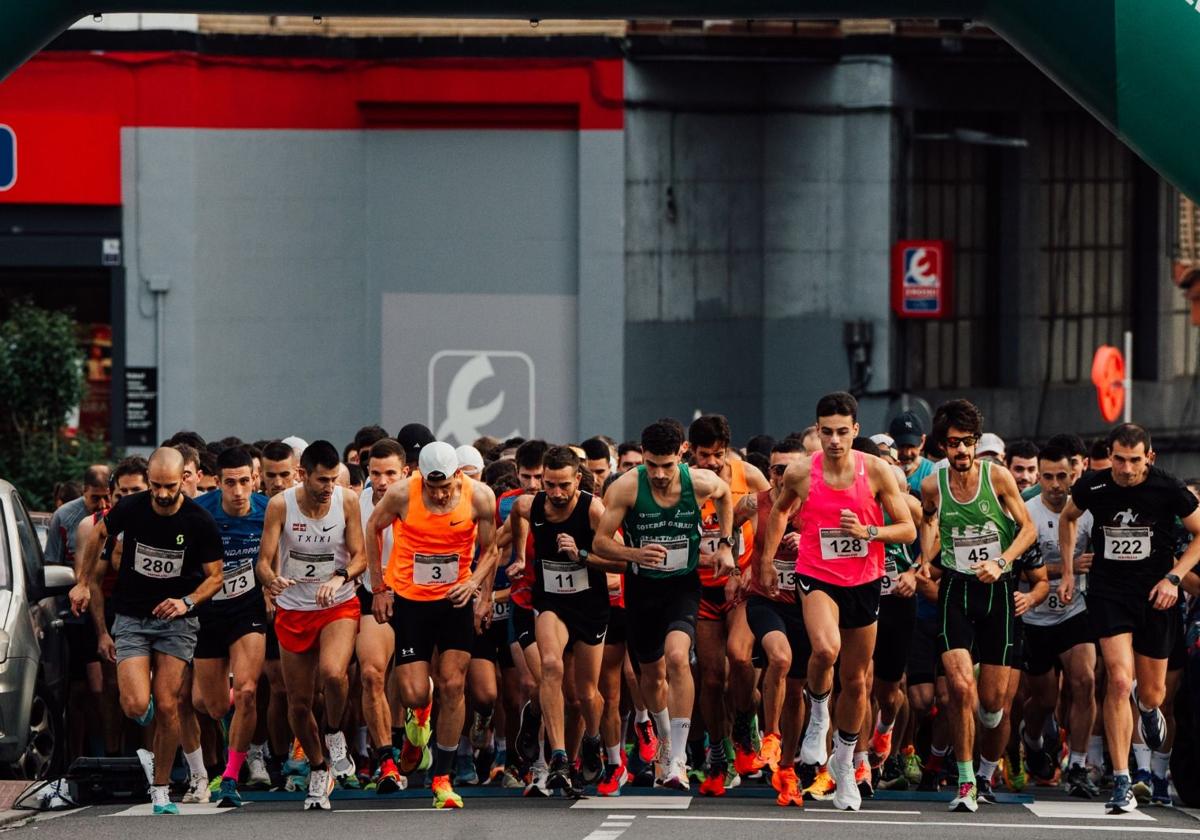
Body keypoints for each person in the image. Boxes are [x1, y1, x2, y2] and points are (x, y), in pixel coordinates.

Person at [760, 393, 916, 812]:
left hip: (864, 582)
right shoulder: (801, 472)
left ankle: (844, 764)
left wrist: (869, 532)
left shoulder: (877, 471)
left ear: (855, 431)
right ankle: (817, 719)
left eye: (842, 432)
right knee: (825, 649)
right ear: (817, 430)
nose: (833, 440)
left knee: (858, 681)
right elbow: (778, 513)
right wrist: (766, 561)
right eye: (826, 432)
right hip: (816, 576)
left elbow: (906, 530)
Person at [68, 447, 224, 815]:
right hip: (134, 617)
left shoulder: (198, 520)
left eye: (170, 486)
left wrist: (186, 602)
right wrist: (84, 582)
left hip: (176, 621)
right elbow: (98, 534)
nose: (164, 493)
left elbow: (216, 577)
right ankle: (156, 746)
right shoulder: (131, 507)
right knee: (135, 703)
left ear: (183, 480)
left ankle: (161, 789)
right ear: (149, 481)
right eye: (156, 485)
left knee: (168, 704)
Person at [1059, 423, 1200, 814]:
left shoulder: (1168, 488)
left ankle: (1149, 708)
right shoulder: (1095, 486)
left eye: (1134, 461)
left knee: (1152, 693)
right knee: (1119, 681)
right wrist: (1070, 571)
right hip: (1110, 594)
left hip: (1156, 595)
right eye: (1119, 459)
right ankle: (1122, 780)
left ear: (1149, 458)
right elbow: (1069, 519)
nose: (1124, 468)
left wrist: (1174, 578)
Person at [593, 420, 737, 791]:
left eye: (667, 465)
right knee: (652, 676)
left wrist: (725, 543)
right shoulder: (626, 487)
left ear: (682, 454)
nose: (658, 474)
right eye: (652, 464)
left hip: (682, 586)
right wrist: (634, 553)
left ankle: (678, 758)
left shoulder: (699, 482)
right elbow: (600, 543)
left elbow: (725, 495)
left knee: (677, 658)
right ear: (642, 456)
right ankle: (665, 742)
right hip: (641, 589)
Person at [366, 441, 499, 809]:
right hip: (411, 600)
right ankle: (418, 720)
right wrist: (379, 587)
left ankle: (442, 777)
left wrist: (480, 592)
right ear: (420, 477)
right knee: (413, 693)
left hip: (455, 600)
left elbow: (492, 548)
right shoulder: (401, 494)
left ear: (458, 475)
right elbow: (373, 528)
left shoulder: (480, 496)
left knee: (453, 684)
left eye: (445, 487)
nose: (439, 495)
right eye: (432, 487)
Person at [918, 400, 1037, 813]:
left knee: (991, 705)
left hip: (997, 592)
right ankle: (966, 781)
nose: (962, 451)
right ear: (942, 447)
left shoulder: (998, 476)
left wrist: (1002, 561)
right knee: (959, 688)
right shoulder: (933, 485)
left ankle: (989, 756)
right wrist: (923, 559)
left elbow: (1028, 528)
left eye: (968, 442)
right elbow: (929, 519)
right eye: (954, 444)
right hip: (956, 589)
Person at [258, 440, 366, 811]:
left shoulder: (346, 502)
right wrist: (271, 581)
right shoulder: (280, 505)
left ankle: (335, 732)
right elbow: (264, 562)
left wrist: (339, 578)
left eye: (334, 480)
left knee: (334, 674)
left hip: (337, 603)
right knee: (299, 704)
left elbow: (361, 557)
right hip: (294, 607)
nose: (329, 487)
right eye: (322, 480)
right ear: (303, 475)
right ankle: (319, 767)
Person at [506, 446, 619, 792]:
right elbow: (517, 518)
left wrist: (583, 555)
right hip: (551, 602)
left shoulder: (594, 510)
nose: (555, 493)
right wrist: (521, 555)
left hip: (590, 607)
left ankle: (592, 740)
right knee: (550, 666)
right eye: (549, 484)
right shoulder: (530, 505)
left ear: (578, 481)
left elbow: (621, 564)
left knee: (586, 693)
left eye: (563, 486)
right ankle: (557, 755)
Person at [1017, 445, 1098, 799]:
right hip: (1033, 614)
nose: (1054, 484)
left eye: (1061, 476)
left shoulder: (1088, 511)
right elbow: (1012, 566)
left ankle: (1078, 766)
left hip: (1074, 610)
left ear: (1074, 474)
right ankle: (1032, 740)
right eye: (1047, 476)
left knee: (1084, 682)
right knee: (1045, 700)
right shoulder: (1024, 512)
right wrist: (1065, 568)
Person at [193, 446, 269, 807]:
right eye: (230, 483)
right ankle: (230, 739)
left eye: (244, 482)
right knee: (214, 706)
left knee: (248, 691)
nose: (238, 492)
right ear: (218, 482)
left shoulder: (269, 511)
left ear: (255, 479)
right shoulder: (199, 511)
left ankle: (231, 777)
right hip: (208, 612)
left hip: (248, 609)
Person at [742, 438, 809, 806]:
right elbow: (727, 528)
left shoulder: (817, 504)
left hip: (806, 605)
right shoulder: (756, 502)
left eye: (788, 469)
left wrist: (810, 542)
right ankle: (769, 734)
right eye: (775, 469)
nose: (781, 476)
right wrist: (732, 562)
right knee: (778, 659)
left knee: (797, 690)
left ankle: (786, 767)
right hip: (765, 600)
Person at [355, 438, 409, 793]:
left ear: (405, 472)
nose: (383, 480)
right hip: (371, 594)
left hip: (414, 596)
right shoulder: (355, 501)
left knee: (413, 689)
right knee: (372, 674)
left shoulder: (422, 501)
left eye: (391, 473)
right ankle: (386, 760)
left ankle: (416, 733)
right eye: (376, 473)